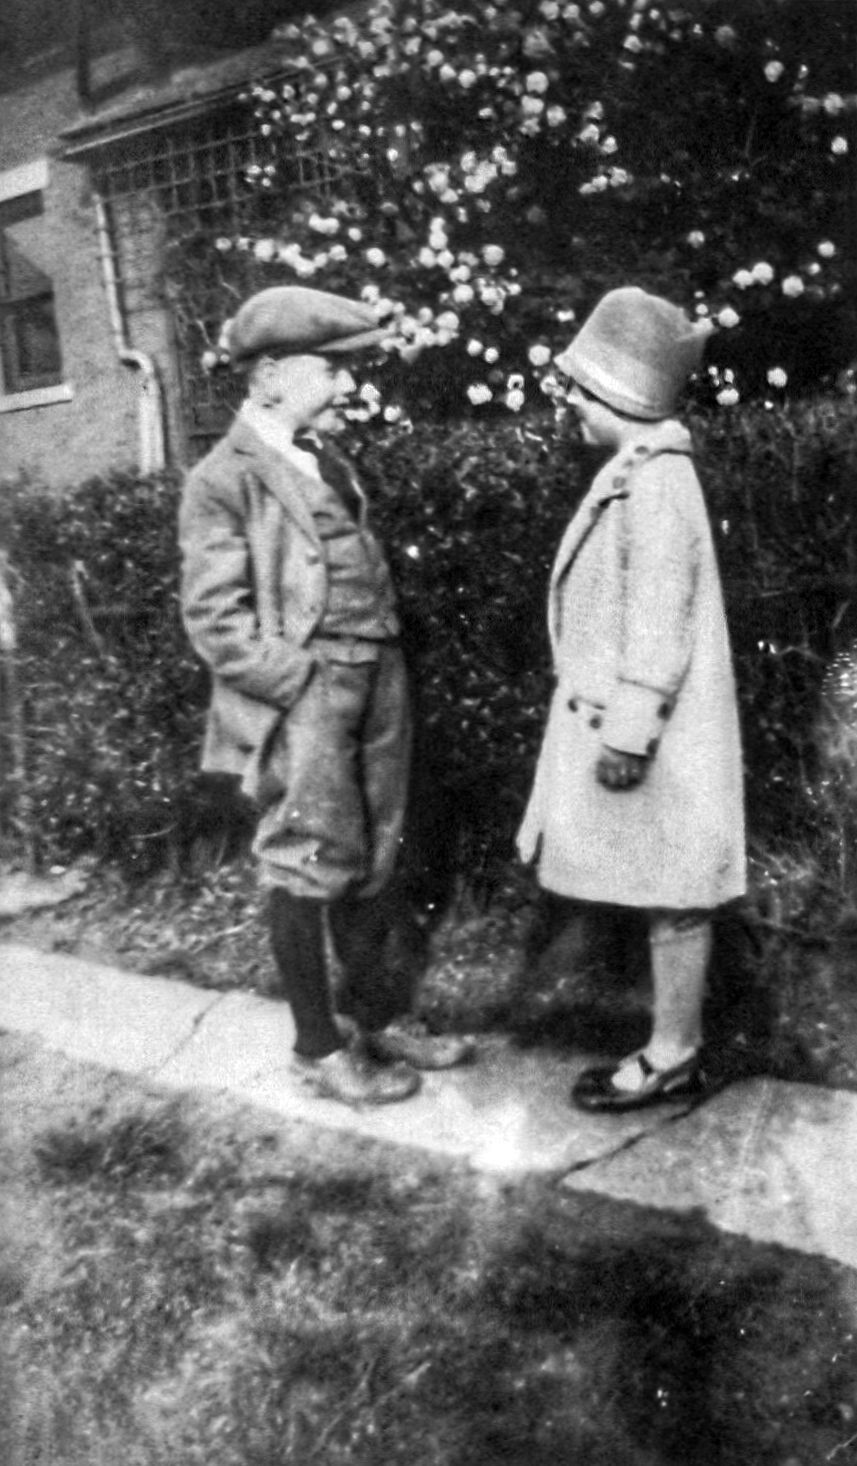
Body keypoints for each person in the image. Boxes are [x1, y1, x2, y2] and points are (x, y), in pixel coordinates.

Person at [179, 285, 473, 1107]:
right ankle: (317, 1047)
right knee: (306, 858)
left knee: (377, 850)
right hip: (306, 688)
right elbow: (213, 616)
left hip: (378, 674)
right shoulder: (222, 477)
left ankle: (378, 1018)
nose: (346, 384)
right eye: (330, 368)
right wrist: (293, 682)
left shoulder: (327, 458)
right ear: (271, 374)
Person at [517, 286, 746, 1111]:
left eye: (582, 391)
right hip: (664, 724)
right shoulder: (643, 473)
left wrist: (628, 731)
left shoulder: (653, 483)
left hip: (662, 728)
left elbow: (657, 616)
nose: (572, 407)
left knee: (675, 893)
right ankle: (673, 1046)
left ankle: (673, 1053)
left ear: (620, 395)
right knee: (668, 888)